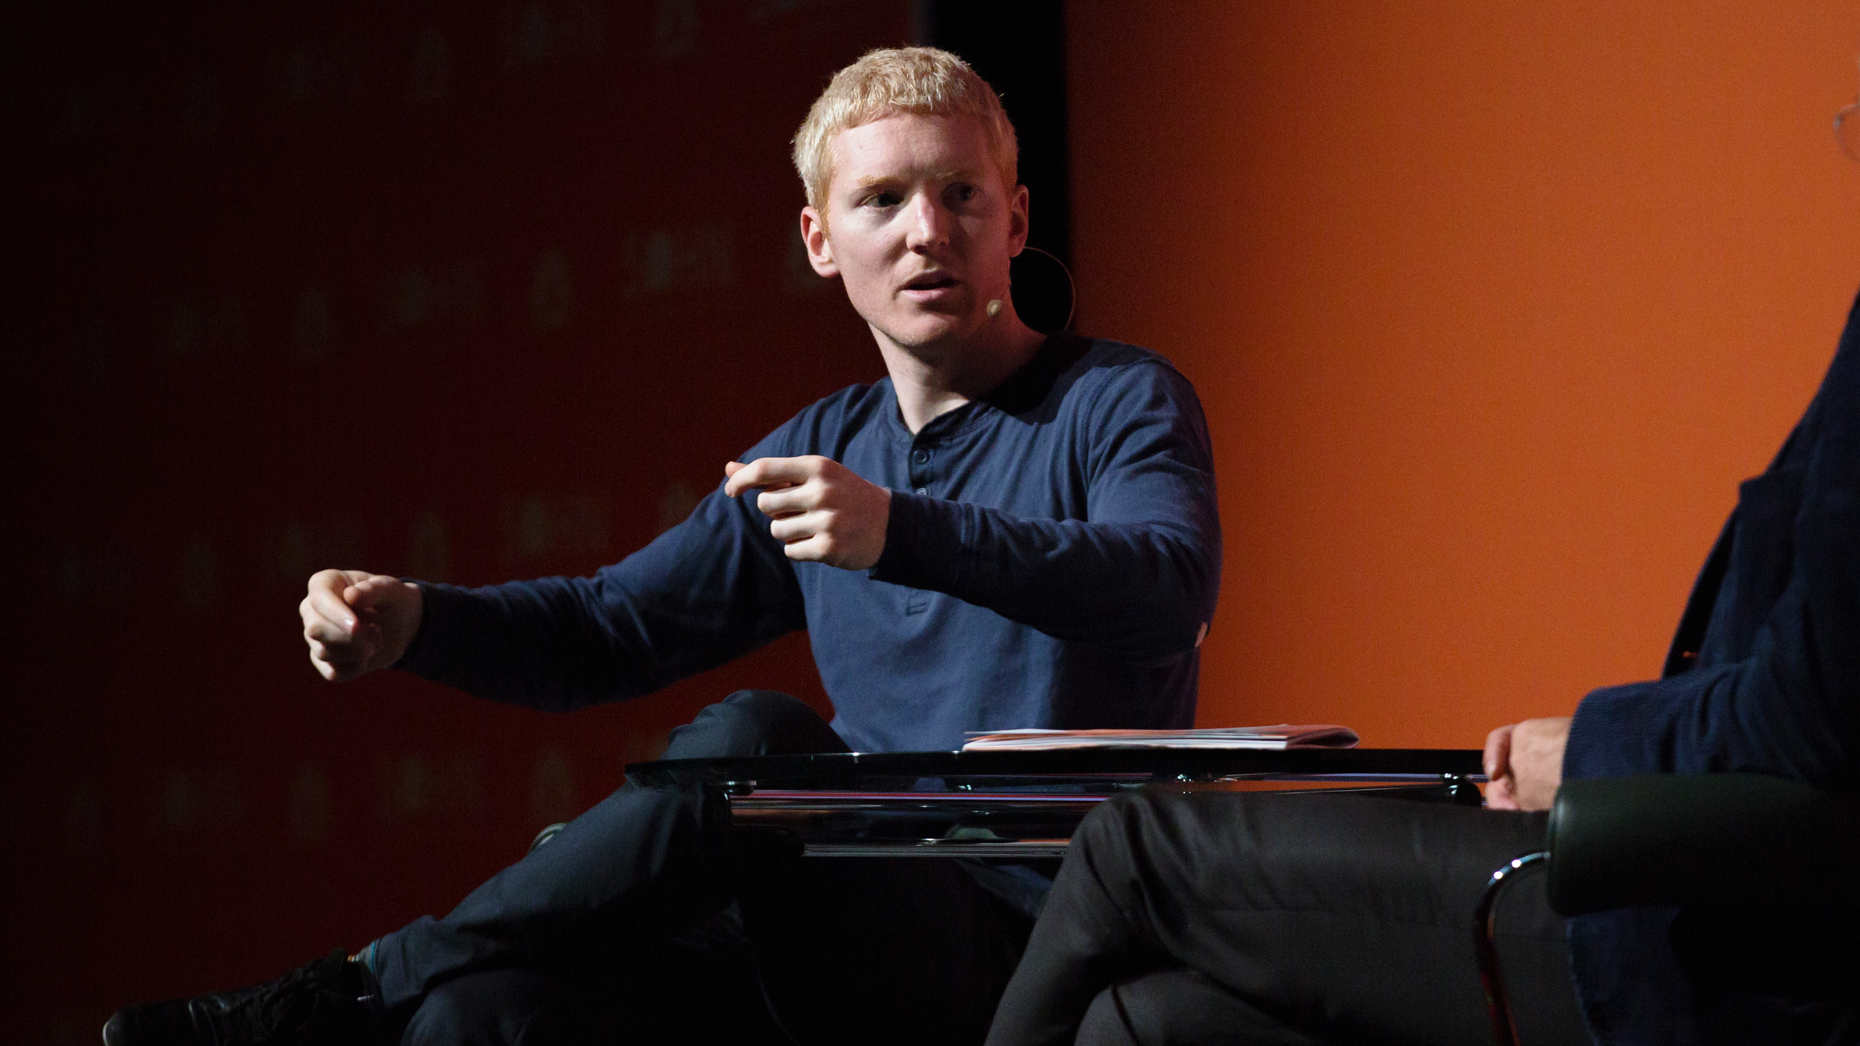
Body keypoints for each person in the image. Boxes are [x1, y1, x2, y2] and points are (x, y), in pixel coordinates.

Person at [102, 48, 1221, 1046]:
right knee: (482, 1014)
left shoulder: (1117, 399)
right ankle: (396, 994)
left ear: (1015, 221)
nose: (927, 230)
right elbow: (611, 628)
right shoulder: (823, 447)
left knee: (760, 743)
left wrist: (901, 531)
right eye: (883, 199)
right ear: (821, 242)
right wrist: (420, 621)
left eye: (960, 193)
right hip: (836, 909)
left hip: (1029, 927)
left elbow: (1167, 589)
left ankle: (358, 988)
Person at [982, 152, 1860, 1046]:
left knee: (1127, 853)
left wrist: (1597, 751)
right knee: (1149, 1025)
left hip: (1720, 938)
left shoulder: (1120, 398)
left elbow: (1817, 711)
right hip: (1696, 876)